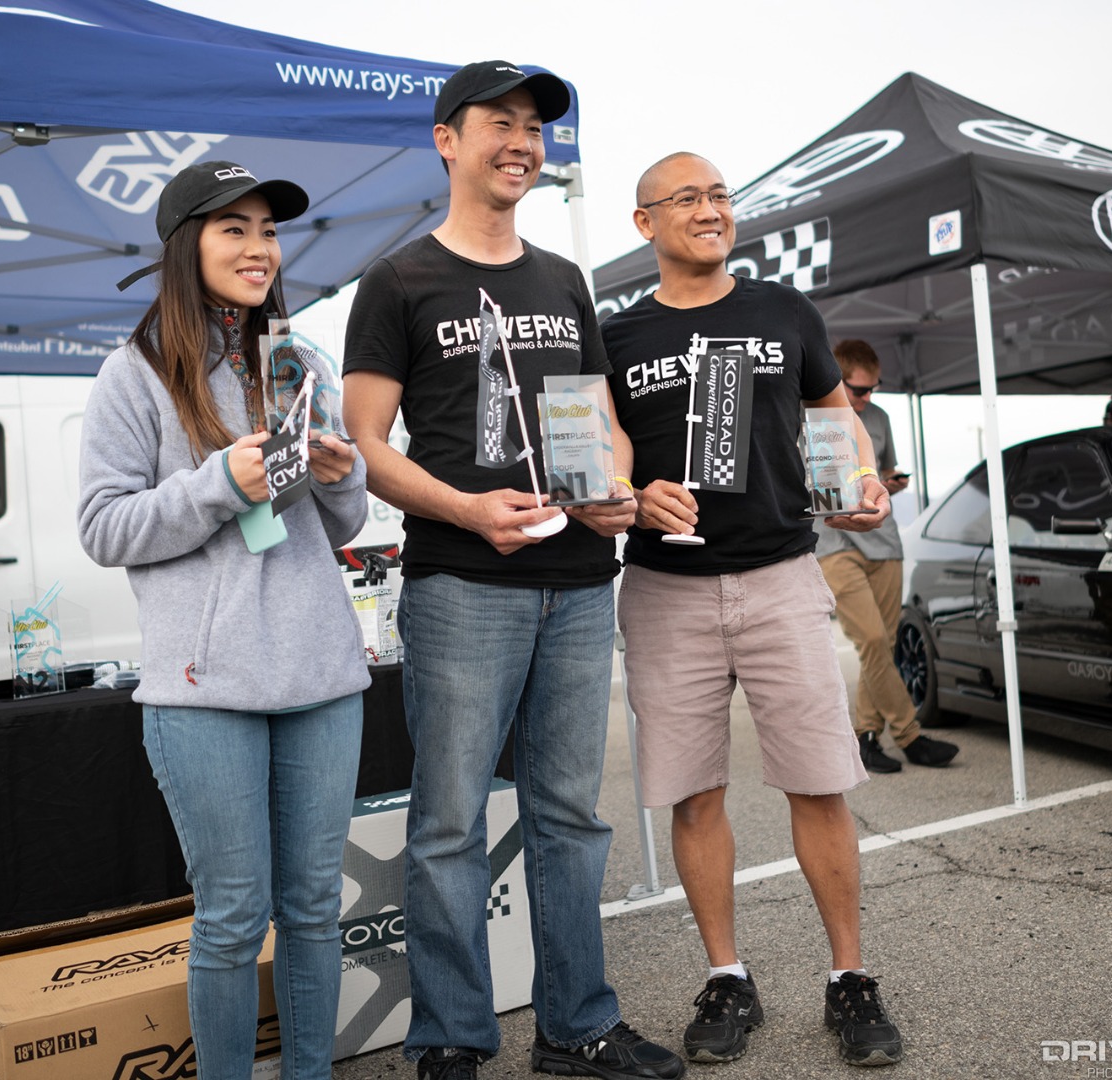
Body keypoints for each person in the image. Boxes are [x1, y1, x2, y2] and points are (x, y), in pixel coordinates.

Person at [342, 61, 680, 1080]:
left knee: (570, 816)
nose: (523, 142)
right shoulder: (399, 279)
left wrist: (617, 489)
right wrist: (466, 509)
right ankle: (450, 1036)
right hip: (460, 583)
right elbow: (366, 446)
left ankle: (577, 1027)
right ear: (447, 139)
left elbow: (600, 420)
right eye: (501, 121)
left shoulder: (563, 278)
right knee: (448, 823)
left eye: (534, 126)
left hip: (578, 581)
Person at [601, 151, 904, 1068]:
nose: (712, 209)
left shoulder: (783, 310)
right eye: (688, 197)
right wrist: (631, 495)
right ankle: (727, 976)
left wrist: (856, 480)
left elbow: (833, 409)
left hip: (781, 573)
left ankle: (849, 977)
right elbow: (607, 452)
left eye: (721, 195)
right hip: (666, 589)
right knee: (695, 797)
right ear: (645, 222)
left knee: (819, 781)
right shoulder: (617, 335)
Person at [77, 160, 369, 1080]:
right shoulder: (132, 375)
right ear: (185, 246)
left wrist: (342, 475)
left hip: (321, 675)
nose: (258, 248)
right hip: (204, 692)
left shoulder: (299, 361)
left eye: (268, 231)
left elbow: (342, 525)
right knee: (234, 918)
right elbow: (103, 527)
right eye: (233, 228)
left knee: (315, 909)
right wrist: (219, 485)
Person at [816, 340, 959, 775]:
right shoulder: (810, 415)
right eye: (858, 390)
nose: (866, 397)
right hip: (834, 544)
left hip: (883, 541)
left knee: (884, 645)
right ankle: (910, 734)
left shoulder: (879, 418)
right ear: (837, 379)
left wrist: (891, 481)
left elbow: (885, 469)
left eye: (873, 389)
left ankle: (865, 737)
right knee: (873, 641)